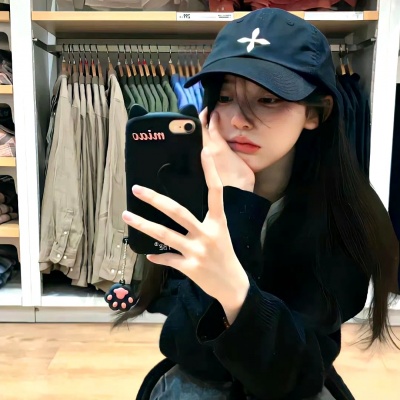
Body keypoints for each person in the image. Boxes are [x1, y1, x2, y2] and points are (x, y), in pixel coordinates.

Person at [116, 8, 400, 400]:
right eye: (225, 96)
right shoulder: (191, 194)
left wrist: (235, 290)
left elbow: (292, 376)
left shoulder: (346, 217)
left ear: (316, 112)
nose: (238, 120)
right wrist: (234, 200)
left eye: (268, 99)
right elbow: (191, 352)